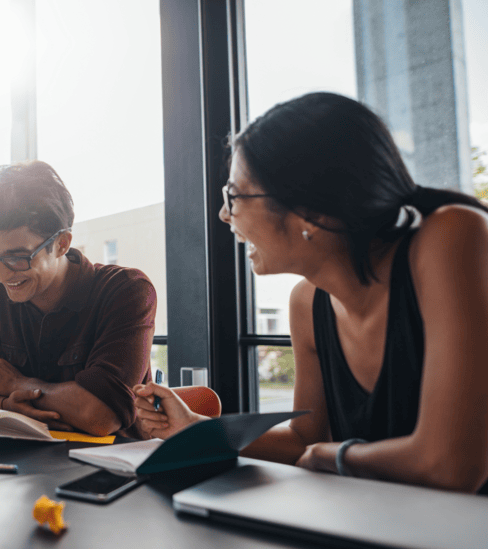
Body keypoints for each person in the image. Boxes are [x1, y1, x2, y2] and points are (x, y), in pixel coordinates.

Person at [134, 92, 488, 494]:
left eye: (234, 195)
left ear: (311, 212)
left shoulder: (450, 238)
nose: (224, 214)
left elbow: (451, 465)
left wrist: (334, 457)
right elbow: (303, 441)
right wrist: (192, 428)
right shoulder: (307, 304)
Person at [0, 161, 157, 437]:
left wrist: (16, 384)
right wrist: (6, 405)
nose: (1, 274)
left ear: (62, 243)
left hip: (110, 467)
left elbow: (99, 416)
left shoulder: (127, 291)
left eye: (17, 257)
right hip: (19, 463)